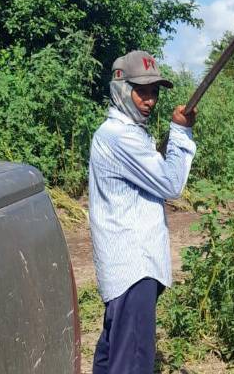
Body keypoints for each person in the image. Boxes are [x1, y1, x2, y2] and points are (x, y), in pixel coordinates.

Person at [88, 50, 197, 374]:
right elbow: (171, 184)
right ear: (122, 89)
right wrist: (180, 133)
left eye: (154, 92)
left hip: (124, 271)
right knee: (131, 363)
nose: (149, 101)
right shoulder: (121, 137)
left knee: (112, 359)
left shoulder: (123, 134)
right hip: (134, 269)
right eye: (141, 91)